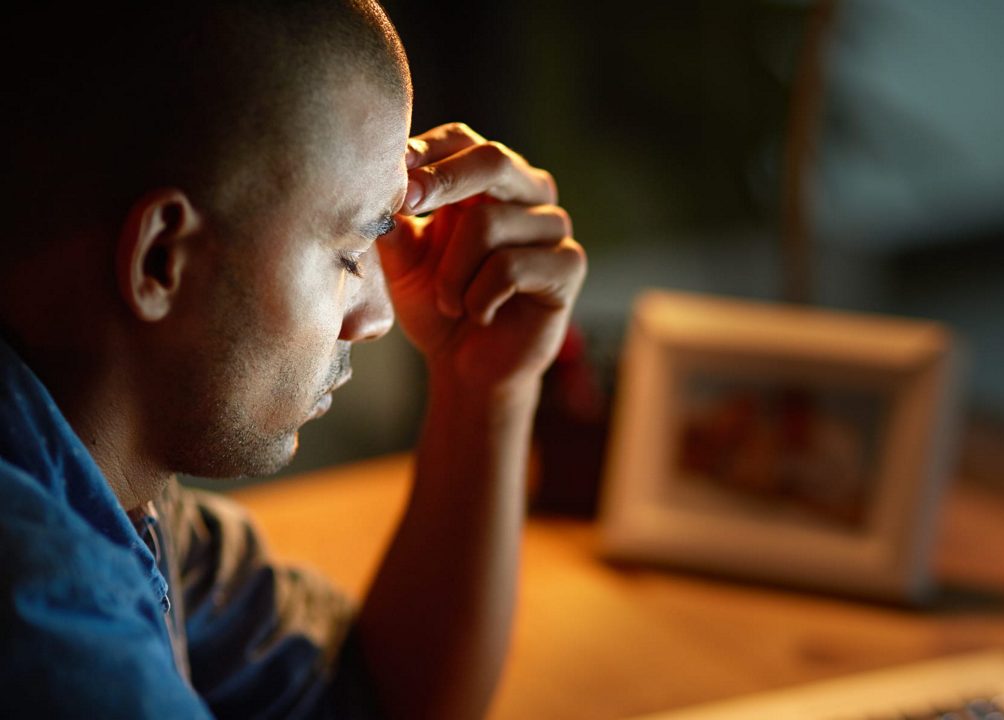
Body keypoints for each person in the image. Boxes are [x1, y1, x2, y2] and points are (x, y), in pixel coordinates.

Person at [0, 3, 585, 719]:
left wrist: (483, 387)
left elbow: (368, 700)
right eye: (348, 253)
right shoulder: (49, 628)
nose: (375, 317)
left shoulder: (121, 493)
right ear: (162, 260)